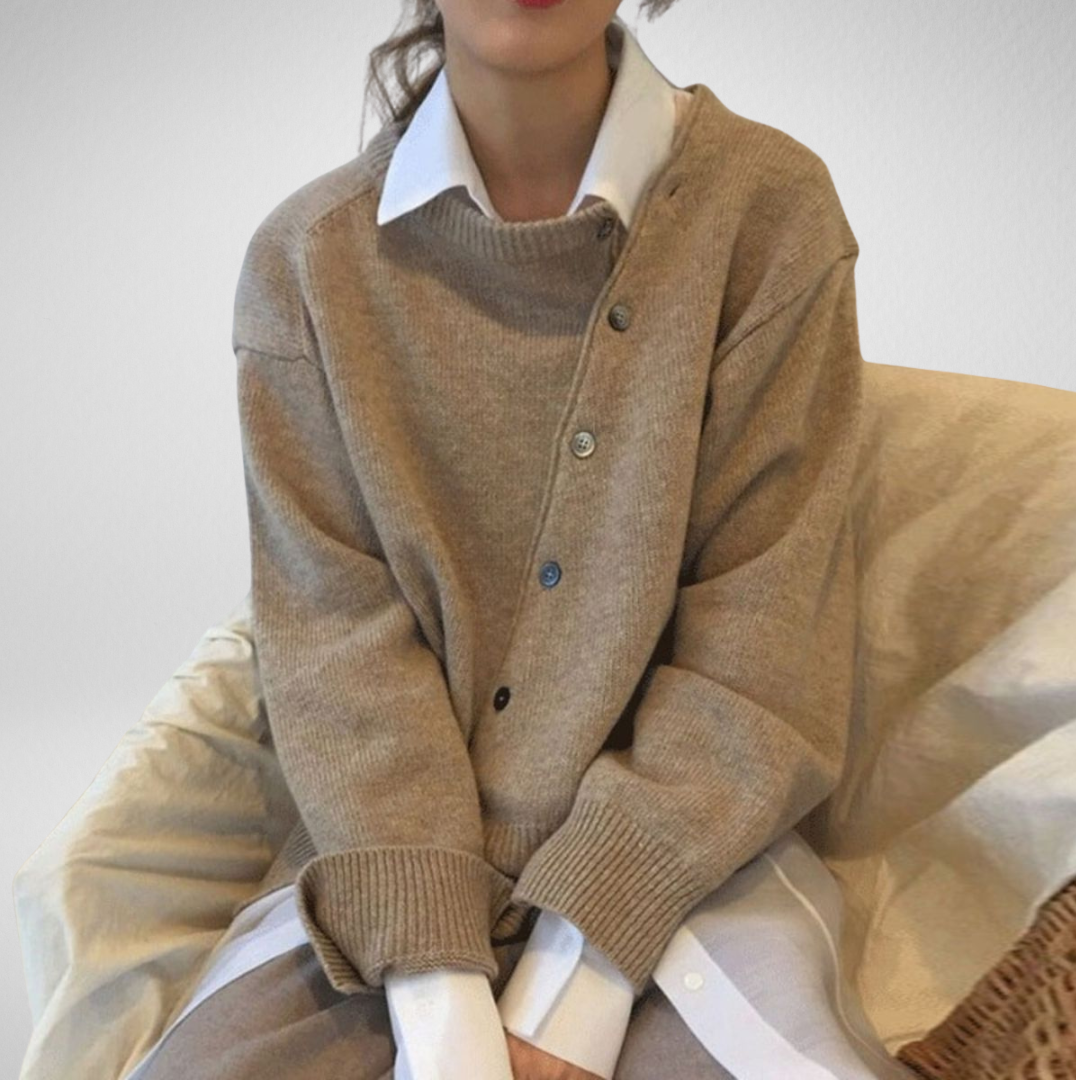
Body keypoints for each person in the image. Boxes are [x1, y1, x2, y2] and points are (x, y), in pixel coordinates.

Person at [134, 0, 870, 1077]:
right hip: (384, 865)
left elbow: (766, 636)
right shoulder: (308, 265)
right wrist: (443, 1012)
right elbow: (337, 650)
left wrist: (573, 989)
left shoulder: (768, 213)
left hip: (697, 866)